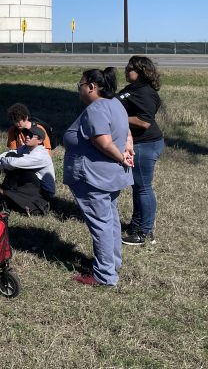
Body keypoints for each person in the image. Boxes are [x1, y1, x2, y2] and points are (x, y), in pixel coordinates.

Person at [63, 67, 133, 287]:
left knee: (100, 223)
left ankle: (104, 275)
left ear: (92, 87)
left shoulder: (96, 109)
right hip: (108, 176)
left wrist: (121, 157)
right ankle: (112, 262)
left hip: (93, 176)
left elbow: (102, 142)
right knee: (110, 218)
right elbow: (127, 131)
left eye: (80, 85)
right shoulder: (116, 104)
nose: (80, 89)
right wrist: (128, 148)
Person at [118, 56, 164, 246]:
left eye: (130, 68)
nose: (126, 70)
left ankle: (145, 233)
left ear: (141, 71)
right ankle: (136, 225)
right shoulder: (131, 90)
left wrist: (120, 116)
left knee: (143, 187)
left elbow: (145, 121)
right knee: (138, 186)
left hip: (146, 144)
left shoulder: (145, 92)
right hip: (138, 143)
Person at [0, 124, 56, 214]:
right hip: (31, 185)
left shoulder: (41, 155)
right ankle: (4, 194)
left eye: (31, 135)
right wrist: (1, 159)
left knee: (19, 167)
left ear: (39, 140)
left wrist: (2, 162)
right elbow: (10, 154)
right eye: (26, 134)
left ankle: (2, 193)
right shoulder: (26, 147)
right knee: (13, 158)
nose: (27, 137)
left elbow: (13, 163)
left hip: (43, 193)